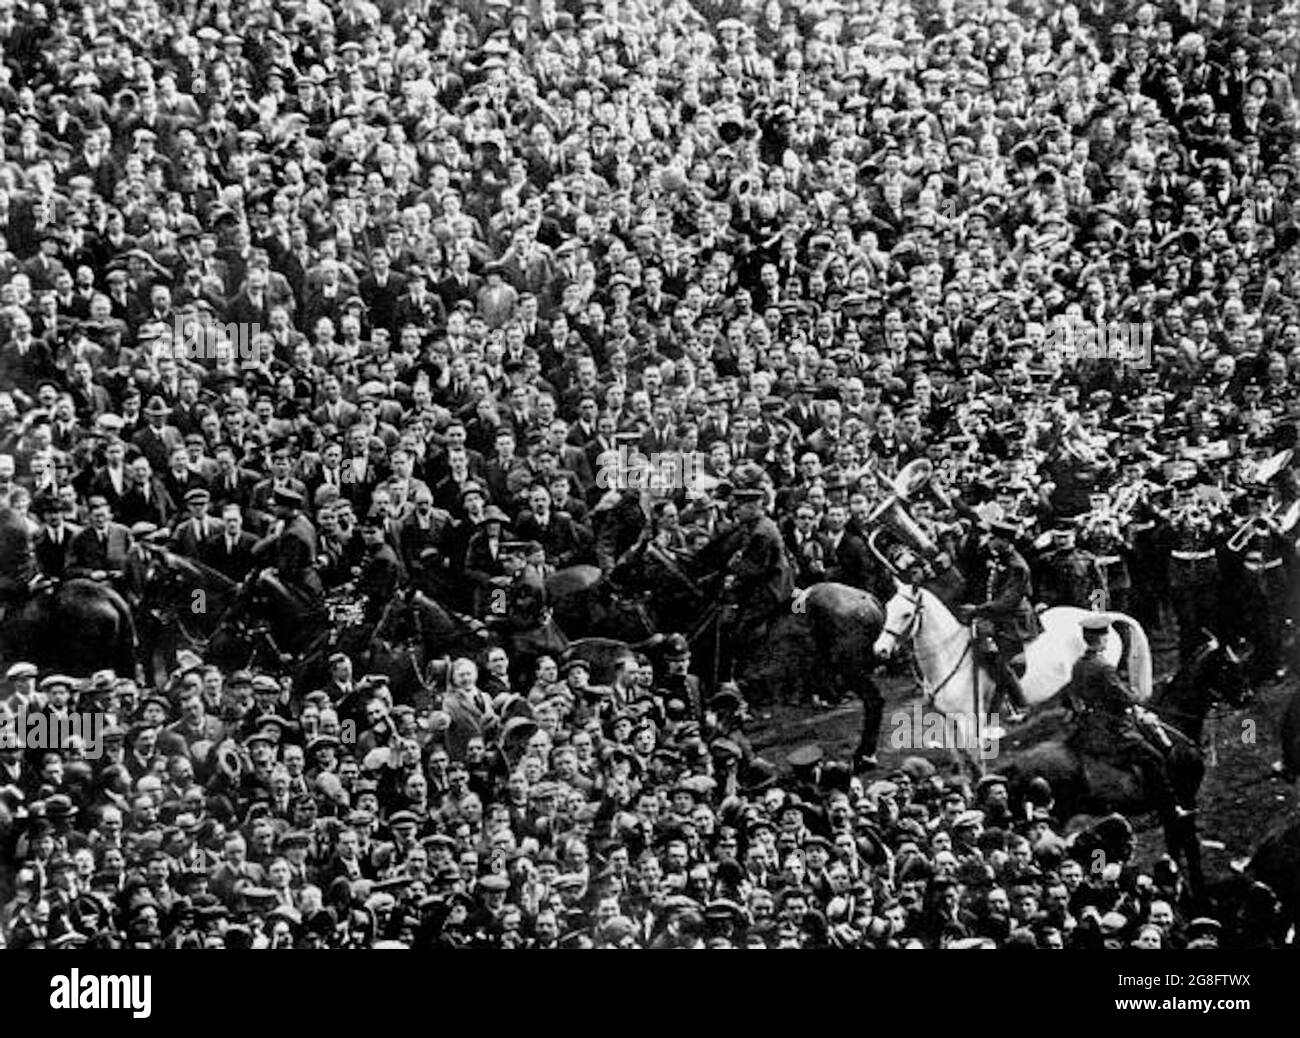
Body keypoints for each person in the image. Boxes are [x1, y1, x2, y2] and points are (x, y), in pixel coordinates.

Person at [1064, 615, 1190, 821]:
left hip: (1086, 726)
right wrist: (1135, 697)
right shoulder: (1104, 667)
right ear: (1103, 639)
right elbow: (1122, 697)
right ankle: (1167, 808)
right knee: (1154, 758)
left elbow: (1072, 695)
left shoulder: (1079, 664)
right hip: (1111, 729)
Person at [958, 521, 1038, 724]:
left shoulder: (1018, 566)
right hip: (997, 615)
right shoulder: (999, 556)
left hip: (1014, 619)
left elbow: (1007, 602)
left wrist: (977, 610)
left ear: (1005, 541)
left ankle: (1021, 703)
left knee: (996, 659)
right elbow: (968, 557)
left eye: (994, 538)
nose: (989, 541)